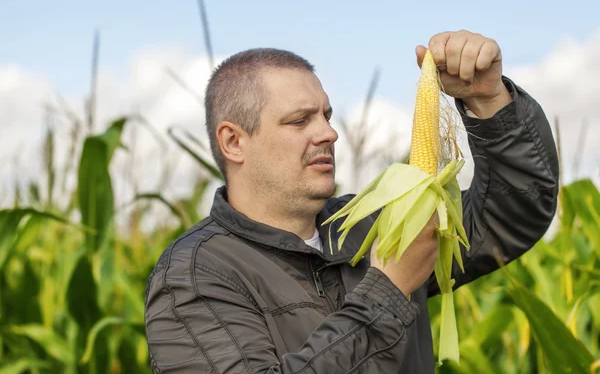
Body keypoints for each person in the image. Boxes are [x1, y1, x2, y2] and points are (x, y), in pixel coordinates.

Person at [144, 30, 559, 373]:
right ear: (234, 141)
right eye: (299, 120)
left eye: (326, 115)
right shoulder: (194, 277)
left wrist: (489, 101)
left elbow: (511, 213)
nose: (328, 133)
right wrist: (389, 290)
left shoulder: (378, 223)